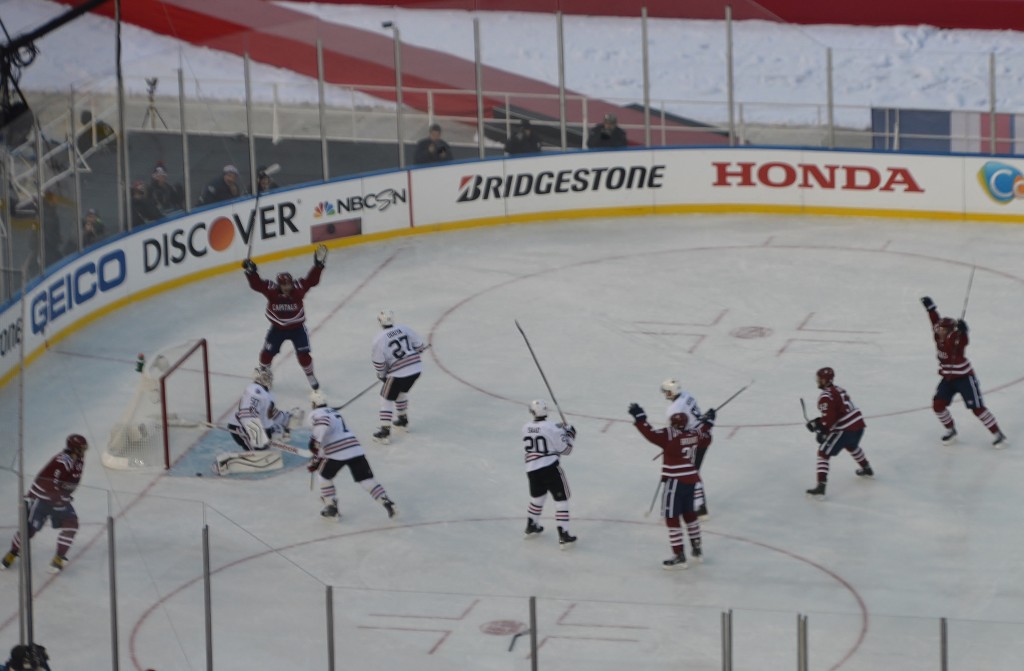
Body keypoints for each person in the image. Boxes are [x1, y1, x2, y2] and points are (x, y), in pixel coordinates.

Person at [628, 403, 706, 569]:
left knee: (672, 518)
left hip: (675, 482)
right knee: (690, 514)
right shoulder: (694, 434)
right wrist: (708, 421)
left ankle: (679, 555)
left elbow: (650, 434)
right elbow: (705, 434)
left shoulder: (670, 434)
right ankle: (697, 548)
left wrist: (640, 418)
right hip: (691, 480)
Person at [921, 296, 1006, 447]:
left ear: (950, 330)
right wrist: (931, 308)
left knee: (977, 408)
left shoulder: (955, 337)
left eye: (943, 329)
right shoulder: (938, 335)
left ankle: (998, 434)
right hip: (947, 379)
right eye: (939, 328)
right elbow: (934, 321)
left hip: (965, 378)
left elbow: (964, 342)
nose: (939, 331)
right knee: (938, 405)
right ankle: (951, 430)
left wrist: (964, 331)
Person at [242, 244, 328, 390]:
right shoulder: (271, 291)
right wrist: (251, 272)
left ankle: (310, 376)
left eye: (289, 285)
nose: (287, 288)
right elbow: (257, 285)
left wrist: (318, 266)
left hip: (297, 329)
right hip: (277, 329)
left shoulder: (299, 288)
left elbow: (312, 281)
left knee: (304, 356)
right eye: (284, 286)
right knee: (266, 355)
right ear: (279, 285)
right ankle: (264, 376)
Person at [1, 434, 88, 574]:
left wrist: (64, 496)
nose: (84, 451)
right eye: (82, 448)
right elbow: (49, 484)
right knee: (30, 530)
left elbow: (70, 482)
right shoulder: (62, 461)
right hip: (42, 498)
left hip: (59, 499)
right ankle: (12, 553)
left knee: (71, 524)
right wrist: (61, 498)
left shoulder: (79, 460)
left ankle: (58, 558)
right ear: (74, 448)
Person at [307, 390, 397, 520]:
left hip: (336, 452)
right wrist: (317, 457)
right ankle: (387, 502)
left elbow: (323, 424)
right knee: (366, 480)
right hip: (355, 448)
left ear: (314, 404)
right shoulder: (335, 412)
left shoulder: (315, 413)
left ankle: (331, 507)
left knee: (323, 476)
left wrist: (315, 445)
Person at [804, 367, 874, 498]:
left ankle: (821, 487)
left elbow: (829, 419)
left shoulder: (825, 396)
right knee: (851, 445)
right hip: (859, 425)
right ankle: (867, 468)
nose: (817, 381)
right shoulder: (839, 389)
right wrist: (818, 422)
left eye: (819, 379)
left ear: (824, 380)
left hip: (846, 429)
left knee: (823, 452)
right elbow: (837, 412)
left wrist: (821, 429)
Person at [217, 367, 299, 475]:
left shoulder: (268, 395)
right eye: (265, 377)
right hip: (240, 427)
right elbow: (247, 414)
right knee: (260, 452)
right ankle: (226, 463)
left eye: (268, 377)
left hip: (255, 426)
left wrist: (287, 419)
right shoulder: (255, 390)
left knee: (276, 431)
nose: (268, 379)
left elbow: (271, 414)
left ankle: (265, 442)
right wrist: (258, 437)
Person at [522, 399, 577, 548]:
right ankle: (563, 533)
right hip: (550, 468)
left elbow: (543, 432)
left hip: (532, 470)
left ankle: (531, 524)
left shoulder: (526, 427)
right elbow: (566, 450)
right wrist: (570, 434)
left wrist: (561, 430)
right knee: (561, 501)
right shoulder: (552, 428)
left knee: (537, 498)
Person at [370, 310, 427, 444]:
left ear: (380, 322)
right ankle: (402, 420)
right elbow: (419, 346)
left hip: (399, 373)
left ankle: (385, 431)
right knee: (400, 392)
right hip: (416, 369)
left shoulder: (379, 339)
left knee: (386, 397)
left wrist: (383, 375)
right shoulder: (404, 328)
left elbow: (379, 362)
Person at [661, 378, 711, 518]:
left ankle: (699, 508)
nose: (665, 394)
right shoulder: (687, 395)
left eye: (666, 392)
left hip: (693, 440)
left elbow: (674, 433)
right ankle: (696, 506)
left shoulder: (673, 410)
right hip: (704, 435)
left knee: (689, 472)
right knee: (691, 471)